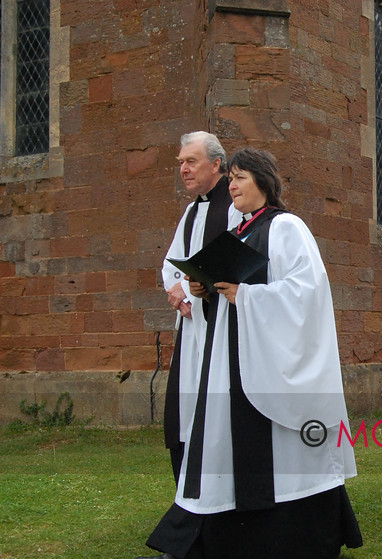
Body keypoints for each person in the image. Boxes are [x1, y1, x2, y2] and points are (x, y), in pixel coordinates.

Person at [140, 148, 362, 558]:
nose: (233, 186)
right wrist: (203, 288)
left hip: (268, 365)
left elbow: (307, 292)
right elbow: (228, 289)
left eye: (239, 178)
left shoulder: (286, 227)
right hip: (229, 361)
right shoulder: (239, 232)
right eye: (231, 180)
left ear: (262, 181)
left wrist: (248, 295)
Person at [161, 132, 242, 481]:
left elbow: (233, 261)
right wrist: (177, 289)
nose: (184, 169)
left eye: (190, 161)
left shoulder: (235, 206)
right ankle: (189, 481)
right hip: (193, 326)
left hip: (222, 324)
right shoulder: (192, 210)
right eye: (181, 162)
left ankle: (220, 479)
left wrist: (192, 289)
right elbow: (173, 263)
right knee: (186, 405)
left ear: (216, 164)